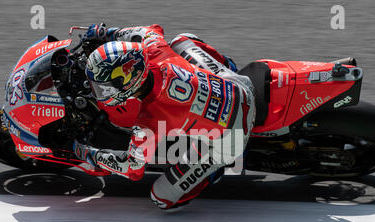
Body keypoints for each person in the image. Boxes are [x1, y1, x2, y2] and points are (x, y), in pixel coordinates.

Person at [73, 23, 256, 211]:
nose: (101, 93)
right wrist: (110, 33)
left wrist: (87, 153)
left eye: (105, 88)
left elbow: (132, 168)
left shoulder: (149, 120)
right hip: (239, 85)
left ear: (128, 80)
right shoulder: (155, 52)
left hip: (232, 139)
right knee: (181, 40)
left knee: (161, 198)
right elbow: (150, 29)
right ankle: (228, 65)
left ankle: (216, 168)